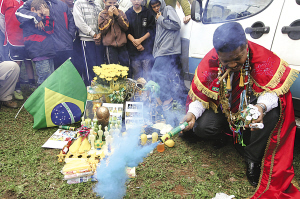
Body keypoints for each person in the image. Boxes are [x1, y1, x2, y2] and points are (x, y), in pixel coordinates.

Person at [182, 22, 300, 198]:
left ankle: (252, 158)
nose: (232, 64)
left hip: (251, 108)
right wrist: (192, 114)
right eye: (226, 60)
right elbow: (201, 96)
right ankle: (226, 135)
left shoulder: (261, 58)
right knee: (202, 127)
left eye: (237, 58)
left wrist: (261, 107)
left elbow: (274, 92)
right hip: (225, 109)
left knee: (273, 114)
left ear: (246, 46)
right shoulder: (212, 60)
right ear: (218, 54)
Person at [16, 0, 76, 70]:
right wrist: (36, 17)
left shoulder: (62, 4)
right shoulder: (34, 2)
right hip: (49, 49)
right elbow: (18, 12)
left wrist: (70, 37)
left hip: (66, 47)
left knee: (67, 75)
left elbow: (71, 22)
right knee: (50, 78)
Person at [149, 0, 182, 111]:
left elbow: (177, 24)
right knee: (164, 75)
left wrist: (161, 19)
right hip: (162, 50)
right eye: (154, 7)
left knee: (156, 72)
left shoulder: (168, 9)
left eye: (158, 5)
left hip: (169, 49)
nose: (156, 8)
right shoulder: (158, 15)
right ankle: (166, 100)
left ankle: (168, 98)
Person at [0, 0, 35, 100]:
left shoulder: (27, 1)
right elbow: (1, 18)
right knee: (16, 63)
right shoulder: (4, 1)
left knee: (28, 61)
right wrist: (7, 32)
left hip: (26, 37)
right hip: (13, 37)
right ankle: (17, 87)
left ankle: (32, 85)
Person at [19, 0, 55, 86]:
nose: (41, 18)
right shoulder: (28, 20)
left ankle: (49, 98)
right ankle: (41, 98)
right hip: (39, 54)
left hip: (48, 52)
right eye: (41, 14)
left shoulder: (44, 18)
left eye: (44, 15)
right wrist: (36, 17)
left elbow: (49, 30)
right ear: (32, 10)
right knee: (44, 80)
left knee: (51, 79)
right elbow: (20, 13)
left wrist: (47, 16)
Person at [73, 0, 104, 86]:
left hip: (99, 40)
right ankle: (90, 90)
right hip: (87, 40)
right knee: (90, 66)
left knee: (99, 66)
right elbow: (79, 22)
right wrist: (93, 34)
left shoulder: (98, 4)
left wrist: (100, 34)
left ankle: (100, 89)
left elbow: (103, 20)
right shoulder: (78, 3)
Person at [125, 0, 155, 80]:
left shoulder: (148, 12)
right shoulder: (128, 13)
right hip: (133, 50)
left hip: (146, 49)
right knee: (137, 75)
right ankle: (138, 92)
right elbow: (126, 31)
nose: (136, 1)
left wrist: (140, 40)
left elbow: (151, 30)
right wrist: (136, 43)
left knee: (147, 74)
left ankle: (148, 92)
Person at [98, 0, 130, 69]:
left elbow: (126, 27)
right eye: (110, 3)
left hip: (122, 45)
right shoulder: (102, 14)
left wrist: (117, 15)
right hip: (110, 46)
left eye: (114, 3)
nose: (112, 5)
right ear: (105, 2)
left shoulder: (121, 12)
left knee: (125, 68)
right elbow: (102, 29)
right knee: (113, 69)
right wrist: (110, 16)